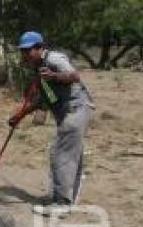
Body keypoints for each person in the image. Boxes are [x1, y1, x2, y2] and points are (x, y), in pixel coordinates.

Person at [8, 31, 94, 217]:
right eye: (22, 51)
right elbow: (42, 99)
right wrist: (19, 115)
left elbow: (74, 76)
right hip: (66, 112)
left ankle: (61, 203)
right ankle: (64, 199)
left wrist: (53, 76)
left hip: (75, 109)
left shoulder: (54, 59)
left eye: (28, 50)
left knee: (60, 153)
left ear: (39, 48)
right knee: (73, 157)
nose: (24, 55)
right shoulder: (38, 68)